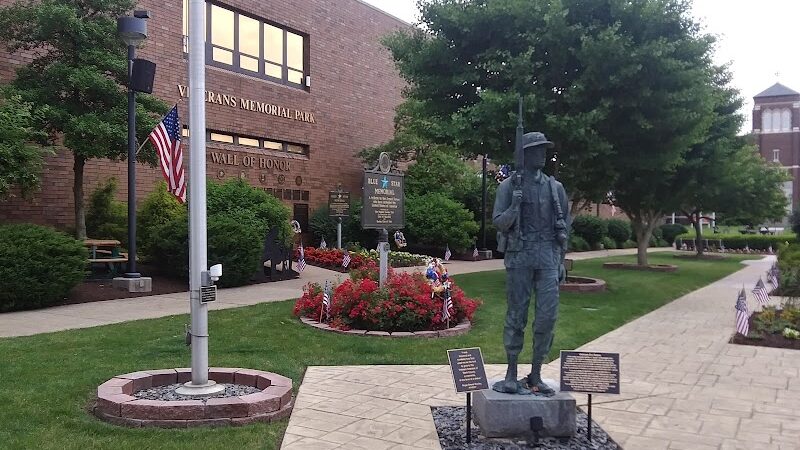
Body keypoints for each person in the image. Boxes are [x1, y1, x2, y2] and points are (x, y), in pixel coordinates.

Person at [492, 131, 570, 396]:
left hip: (548, 257)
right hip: (520, 255)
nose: (543, 153)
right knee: (516, 316)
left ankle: (536, 374)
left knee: (547, 317)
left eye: (545, 149)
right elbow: (499, 223)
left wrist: (560, 261)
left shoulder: (555, 187)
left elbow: (564, 228)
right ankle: (511, 374)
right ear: (524, 154)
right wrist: (514, 206)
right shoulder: (508, 187)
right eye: (537, 149)